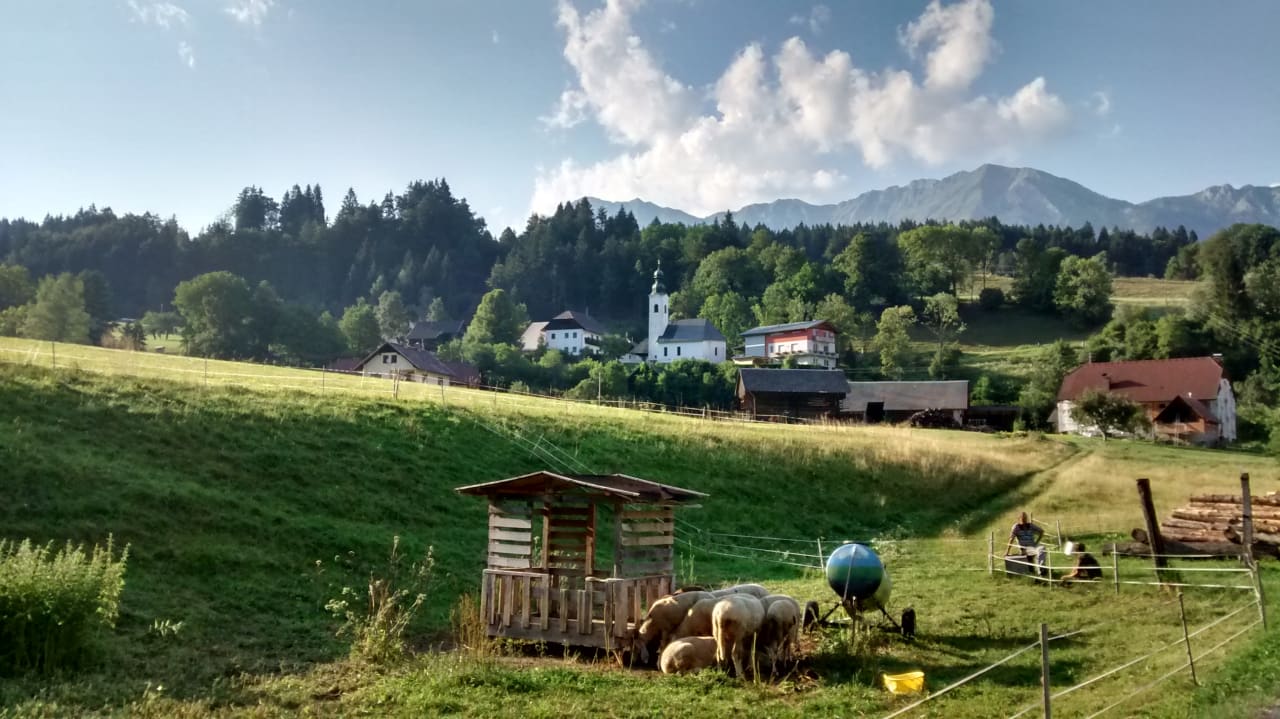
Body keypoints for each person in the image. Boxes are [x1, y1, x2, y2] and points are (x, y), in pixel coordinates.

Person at [1006, 512, 1048, 577]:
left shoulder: (1030, 525)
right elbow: (1011, 539)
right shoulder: (1016, 527)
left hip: (1033, 546)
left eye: (1025, 518)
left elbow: (1041, 531)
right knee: (1032, 558)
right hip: (1024, 548)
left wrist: (1036, 542)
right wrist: (1007, 552)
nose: (1024, 520)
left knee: (1042, 548)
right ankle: (1040, 572)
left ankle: (1042, 569)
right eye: (1022, 518)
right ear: (1019, 519)